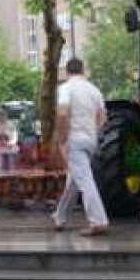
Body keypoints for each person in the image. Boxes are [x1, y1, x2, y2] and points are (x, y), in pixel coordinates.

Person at [52, 58, 109, 236]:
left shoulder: (66, 88)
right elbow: (103, 117)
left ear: (67, 72)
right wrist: (93, 130)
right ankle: (59, 216)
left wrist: (62, 139)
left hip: (74, 139)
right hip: (90, 139)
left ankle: (98, 221)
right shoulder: (94, 90)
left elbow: (62, 113)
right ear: (82, 70)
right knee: (74, 179)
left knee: (84, 180)